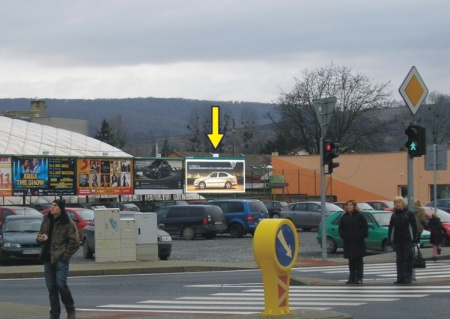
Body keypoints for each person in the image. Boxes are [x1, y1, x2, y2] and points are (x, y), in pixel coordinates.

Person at [36, 199, 79, 319]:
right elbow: (41, 235)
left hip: (60, 258)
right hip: (47, 257)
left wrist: (65, 256)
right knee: (51, 288)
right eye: (52, 205)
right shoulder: (46, 220)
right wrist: (39, 239)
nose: (52, 207)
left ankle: (70, 309)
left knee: (61, 285)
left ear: (61, 208)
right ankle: (54, 315)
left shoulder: (68, 223)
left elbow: (75, 242)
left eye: (55, 206)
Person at [388, 196, 417, 284]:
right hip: (397, 240)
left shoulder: (409, 214)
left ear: (403, 203)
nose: (397, 204)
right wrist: (390, 238)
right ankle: (400, 277)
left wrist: (415, 238)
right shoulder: (394, 215)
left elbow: (414, 227)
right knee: (399, 259)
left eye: (399, 202)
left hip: (407, 239)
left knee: (407, 258)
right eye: (396, 203)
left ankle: (407, 277)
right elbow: (391, 228)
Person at [338, 199, 369, 284]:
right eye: (347, 205)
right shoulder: (344, 216)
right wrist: (343, 235)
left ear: (354, 206)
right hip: (348, 242)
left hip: (358, 242)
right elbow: (341, 228)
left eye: (351, 205)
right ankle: (351, 277)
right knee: (351, 260)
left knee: (358, 260)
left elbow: (365, 227)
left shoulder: (359, 216)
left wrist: (360, 235)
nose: (349, 207)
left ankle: (359, 277)